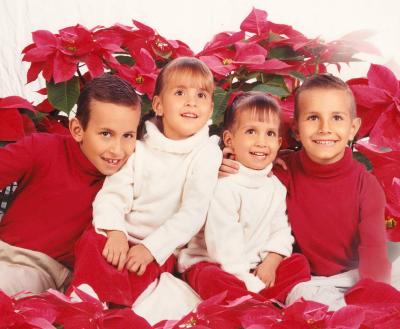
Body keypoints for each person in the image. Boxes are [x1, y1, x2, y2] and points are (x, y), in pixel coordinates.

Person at [220, 74, 392, 310]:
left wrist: (372, 299)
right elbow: (247, 174)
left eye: (337, 118)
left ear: (353, 129)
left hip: (353, 277)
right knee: (306, 297)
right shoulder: (281, 171)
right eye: (313, 118)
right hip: (303, 280)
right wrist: (222, 162)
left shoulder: (366, 185)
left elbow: (374, 254)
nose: (325, 128)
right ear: (296, 130)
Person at [69, 57, 222, 307]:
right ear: (159, 105)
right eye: (180, 92)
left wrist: (150, 248)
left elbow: (193, 213)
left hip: (159, 246)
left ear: (211, 109)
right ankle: (86, 305)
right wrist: (115, 231)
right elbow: (112, 194)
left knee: (139, 274)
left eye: (201, 95)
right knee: (91, 243)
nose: (191, 101)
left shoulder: (206, 153)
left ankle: (116, 311)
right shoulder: (138, 148)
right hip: (121, 234)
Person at [0, 74, 141, 295]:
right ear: (77, 129)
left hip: (39, 269)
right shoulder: (42, 148)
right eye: (106, 134)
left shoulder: (131, 174)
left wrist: (216, 168)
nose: (117, 149)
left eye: (128, 136)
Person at [178, 92, 310, 303]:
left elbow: (280, 230)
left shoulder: (275, 186)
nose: (261, 142)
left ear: (278, 143)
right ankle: (256, 304)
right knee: (210, 277)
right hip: (216, 264)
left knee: (299, 263)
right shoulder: (224, 184)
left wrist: (272, 262)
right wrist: (250, 283)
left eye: (269, 134)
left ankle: (254, 304)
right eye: (251, 131)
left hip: (255, 266)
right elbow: (222, 246)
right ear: (230, 140)